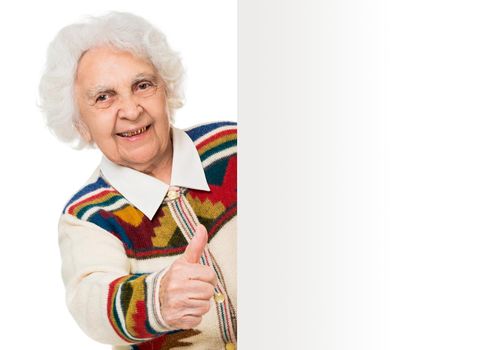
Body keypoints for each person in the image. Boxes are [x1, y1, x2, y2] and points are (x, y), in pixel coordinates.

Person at [39, 12, 237, 350]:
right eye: (104, 97)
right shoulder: (88, 215)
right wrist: (157, 298)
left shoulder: (232, 147)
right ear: (80, 123)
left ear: (166, 90)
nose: (131, 110)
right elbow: (91, 298)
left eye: (142, 85)